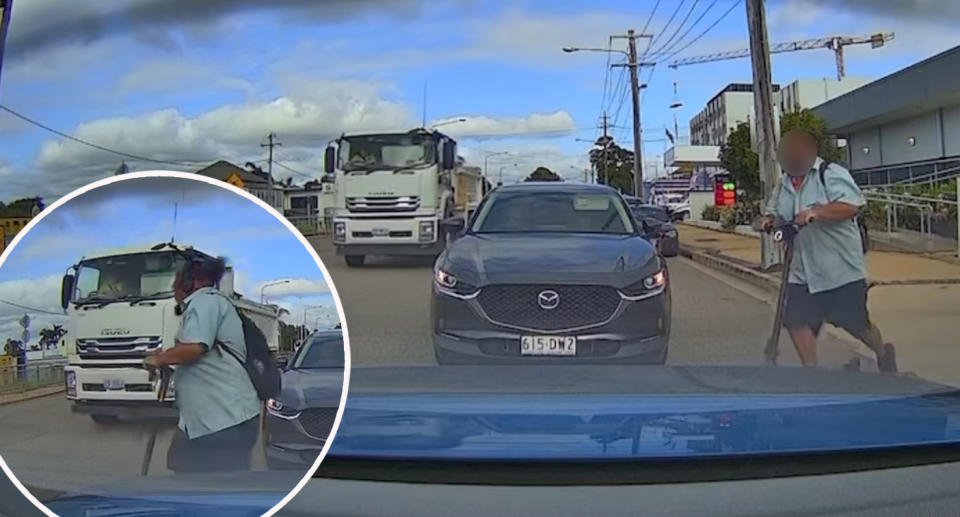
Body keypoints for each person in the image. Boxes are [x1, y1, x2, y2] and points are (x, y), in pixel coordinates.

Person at [762, 129, 897, 372]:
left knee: (856, 325)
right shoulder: (783, 183)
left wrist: (816, 213)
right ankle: (813, 372)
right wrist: (767, 221)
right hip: (801, 270)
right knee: (794, 319)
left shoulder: (830, 174)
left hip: (839, 269)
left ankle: (882, 351)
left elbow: (851, 206)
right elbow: (772, 211)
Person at [143, 256, 261, 472]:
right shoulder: (209, 304)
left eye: (177, 279)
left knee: (219, 488)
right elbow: (191, 349)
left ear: (191, 281)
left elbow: (194, 348)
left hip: (224, 419)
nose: (173, 286)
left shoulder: (205, 301)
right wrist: (168, 357)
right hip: (205, 420)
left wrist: (159, 359)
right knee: (181, 467)